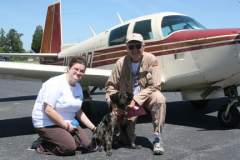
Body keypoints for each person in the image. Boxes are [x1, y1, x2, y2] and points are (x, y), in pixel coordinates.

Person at [105, 33, 166, 155]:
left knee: (159, 98)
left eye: (138, 46)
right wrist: (114, 104)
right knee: (126, 140)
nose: (135, 50)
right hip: (126, 99)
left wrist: (136, 100)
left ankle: (157, 138)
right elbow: (110, 86)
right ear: (126, 48)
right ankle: (118, 133)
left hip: (145, 96)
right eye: (131, 46)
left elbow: (155, 85)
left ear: (144, 46)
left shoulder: (152, 59)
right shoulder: (120, 63)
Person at [31, 57, 96, 156]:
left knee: (87, 145)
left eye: (82, 71)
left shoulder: (78, 87)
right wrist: (66, 126)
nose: (78, 72)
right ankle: (43, 145)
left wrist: (94, 128)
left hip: (68, 122)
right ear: (68, 68)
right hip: (47, 123)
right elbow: (48, 110)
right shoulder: (55, 83)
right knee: (69, 148)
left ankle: (58, 138)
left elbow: (78, 112)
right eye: (76, 69)